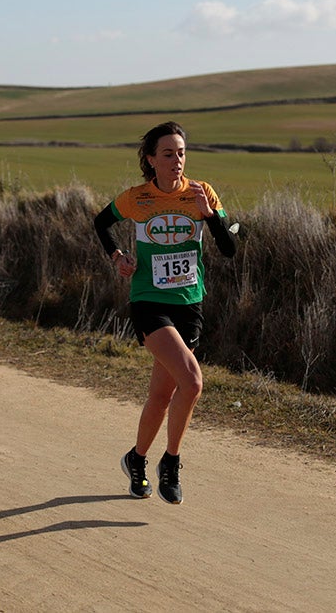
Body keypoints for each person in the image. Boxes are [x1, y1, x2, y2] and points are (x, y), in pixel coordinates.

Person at [93, 121, 236, 504]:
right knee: (192, 381)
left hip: (189, 303)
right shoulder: (137, 198)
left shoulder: (201, 192)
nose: (177, 161)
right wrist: (118, 256)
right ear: (151, 160)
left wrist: (210, 216)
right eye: (169, 154)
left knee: (162, 393)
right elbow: (101, 222)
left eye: (182, 153)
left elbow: (231, 248)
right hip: (148, 301)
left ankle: (136, 460)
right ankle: (170, 462)